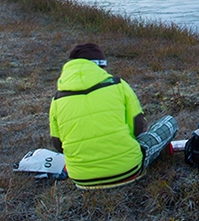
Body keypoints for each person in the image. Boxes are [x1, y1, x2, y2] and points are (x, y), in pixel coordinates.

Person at [49, 43, 178, 189]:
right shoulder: (118, 85)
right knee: (169, 122)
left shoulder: (57, 99)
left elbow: (58, 145)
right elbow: (138, 129)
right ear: (99, 65)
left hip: (82, 180)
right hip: (128, 170)